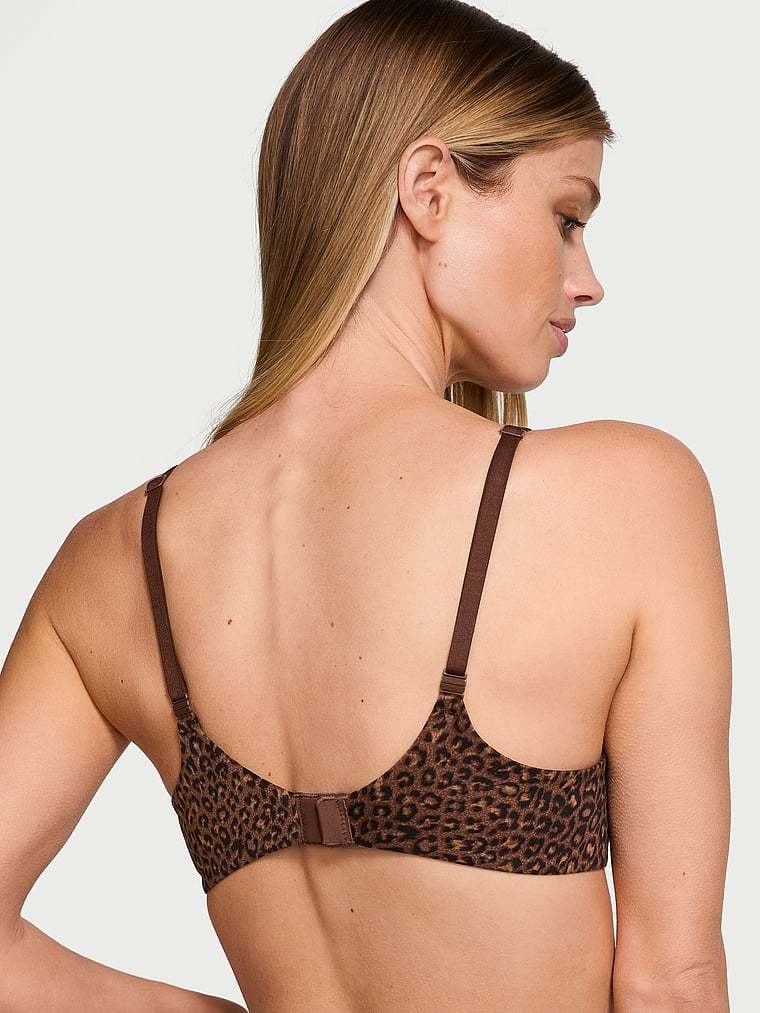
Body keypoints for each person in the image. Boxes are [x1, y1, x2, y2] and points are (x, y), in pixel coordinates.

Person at [0, 1, 731, 1010]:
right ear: (429, 189)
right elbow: (670, 979)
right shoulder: (626, 493)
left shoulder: (116, 559)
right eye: (568, 217)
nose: (588, 279)